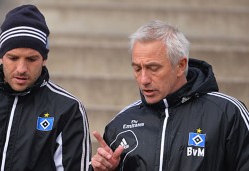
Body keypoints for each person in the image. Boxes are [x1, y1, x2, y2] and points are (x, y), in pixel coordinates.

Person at [91, 20, 249, 171]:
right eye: (137, 69)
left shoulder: (228, 114)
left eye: (153, 68)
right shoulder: (121, 123)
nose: (144, 80)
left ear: (181, 66)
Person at [0, 4, 91, 171]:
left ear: (44, 59)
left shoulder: (67, 110)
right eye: (13, 58)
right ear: (1, 55)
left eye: (31, 59)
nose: (21, 68)